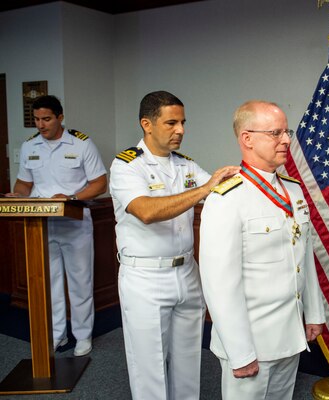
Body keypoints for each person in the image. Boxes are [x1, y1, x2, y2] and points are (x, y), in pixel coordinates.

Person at [109, 90, 239, 400]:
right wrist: (206, 189)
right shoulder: (127, 165)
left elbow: (224, 192)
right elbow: (147, 211)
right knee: (149, 366)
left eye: (182, 122)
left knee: (188, 360)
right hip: (145, 278)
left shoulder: (185, 165)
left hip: (187, 272)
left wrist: (256, 179)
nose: (180, 130)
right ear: (147, 124)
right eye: (171, 123)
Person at [199, 100, 326, 400]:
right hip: (251, 342)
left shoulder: (292, 190)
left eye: (286, 132)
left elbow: (304, 257)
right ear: (247, 138)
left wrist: (314, 313)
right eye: (275, 133)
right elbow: (220, 285)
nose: (286, 140)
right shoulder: (227, 197)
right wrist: (240, 352)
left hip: (289, 334)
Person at [7, 95, 107, 357]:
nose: (41, 124)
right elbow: (24, 184)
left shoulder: (81, 144)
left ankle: (83, 336)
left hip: (74, 223)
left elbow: (99, 183)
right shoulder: (30, 146)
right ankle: (57, 335)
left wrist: (72, 197)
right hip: (41, 226)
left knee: (80, 283)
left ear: (60, 117)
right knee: (48, 284)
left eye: (47, 119)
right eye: (37, 119)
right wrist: (18, 195)